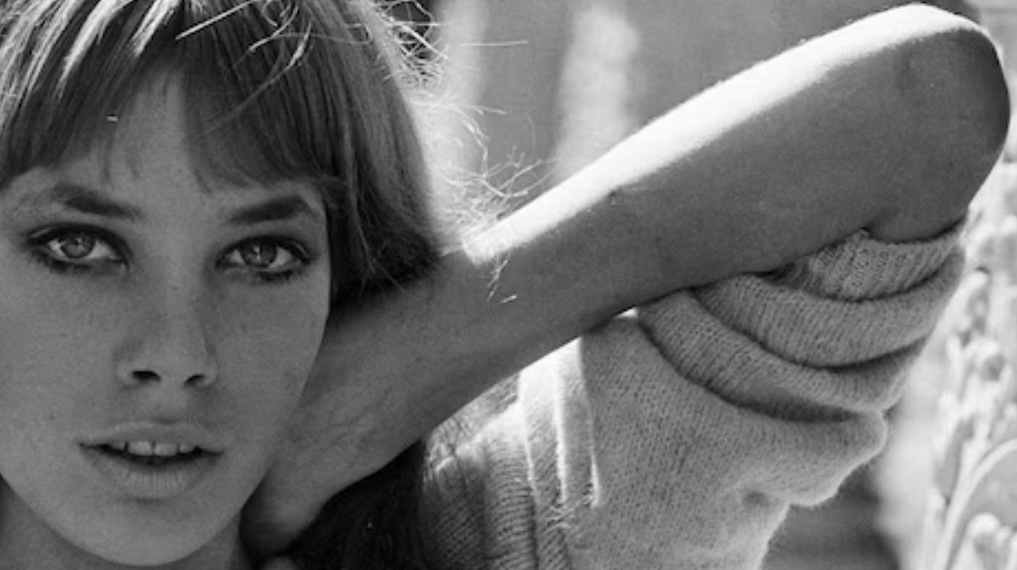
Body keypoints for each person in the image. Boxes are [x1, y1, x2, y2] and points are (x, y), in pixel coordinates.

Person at [0, 1, 1006, 570]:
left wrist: (368, 400)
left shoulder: (498, 542)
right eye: (77, 247)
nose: (176, 355)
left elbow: (922, 100)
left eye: (263, 257)